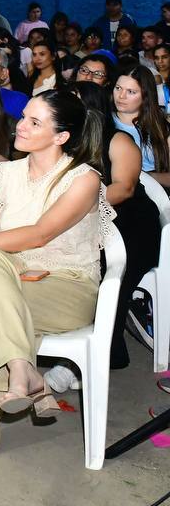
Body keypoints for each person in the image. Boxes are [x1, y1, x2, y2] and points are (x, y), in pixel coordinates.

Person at [0, 90, 112, 463]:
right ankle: (23, 370)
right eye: (23, 116)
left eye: (34, 122)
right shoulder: (3, 173)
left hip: (67, 286)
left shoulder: (83, 178)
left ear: (61, 136)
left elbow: (40, 234)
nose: (20, 126)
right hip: (10, 279)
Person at [72, 82, 162, 371]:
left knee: (112, 269)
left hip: (132, 223)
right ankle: (81, 345)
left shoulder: (118, 140)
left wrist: (74, 204)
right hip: (92, 222)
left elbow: (123, 189)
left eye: (74, 103)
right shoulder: (65, 140)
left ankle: (104, 349)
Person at [112, 66, 170, 184]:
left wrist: (145, 177)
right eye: (118, 88)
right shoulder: (102, 121)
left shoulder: (161, 127)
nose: (121, 96)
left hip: (155, 189)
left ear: (146, 96)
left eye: (131, 92)